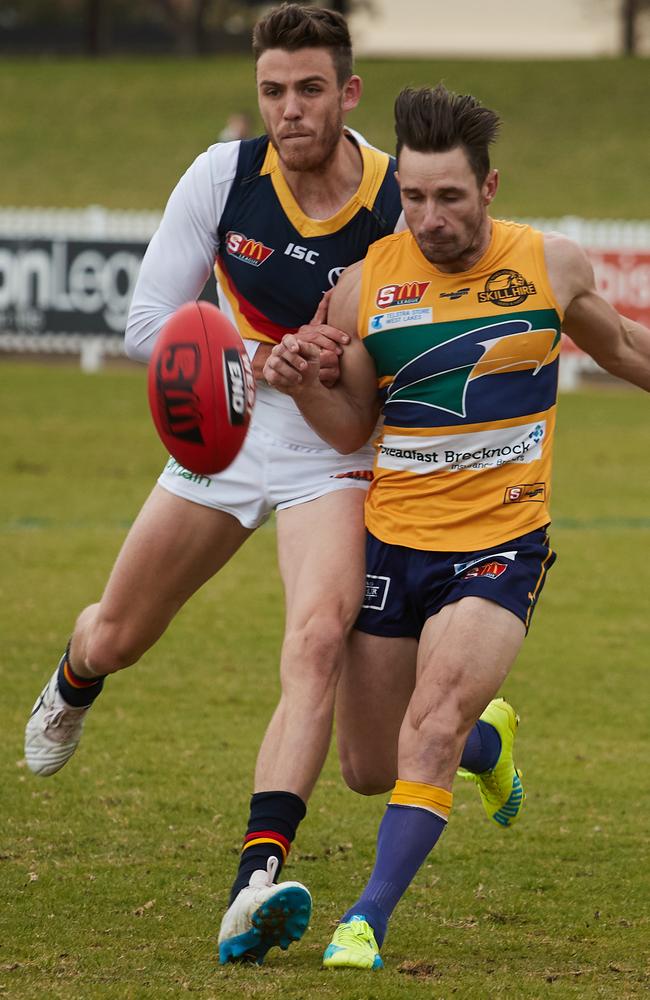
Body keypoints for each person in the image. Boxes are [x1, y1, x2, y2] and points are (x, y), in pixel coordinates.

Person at [24, 7, 519, 967]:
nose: (288, 111)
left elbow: (425, 325)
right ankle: (72, 682)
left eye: (307, 90)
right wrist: (251, 359)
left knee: (318, 638)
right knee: (118, 632)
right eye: (271, 91)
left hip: (335, 446)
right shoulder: (226, 176)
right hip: (226, 423)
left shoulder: (394, 198)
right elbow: (146, 320)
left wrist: (339, 365)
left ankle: (256, 881)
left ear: (347, 93)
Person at [263, 83, 650, 970]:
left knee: (427, 726)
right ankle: (491, 740)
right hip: (395, 542)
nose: (429, 218)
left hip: (501, 543)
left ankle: (366, 919)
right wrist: (304, 382)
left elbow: (627, 350)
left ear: (490, 188)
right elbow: (351, 425)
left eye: (449, 198)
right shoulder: (363, 287)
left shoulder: (549, 266)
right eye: (413, 197)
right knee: (369, 764)